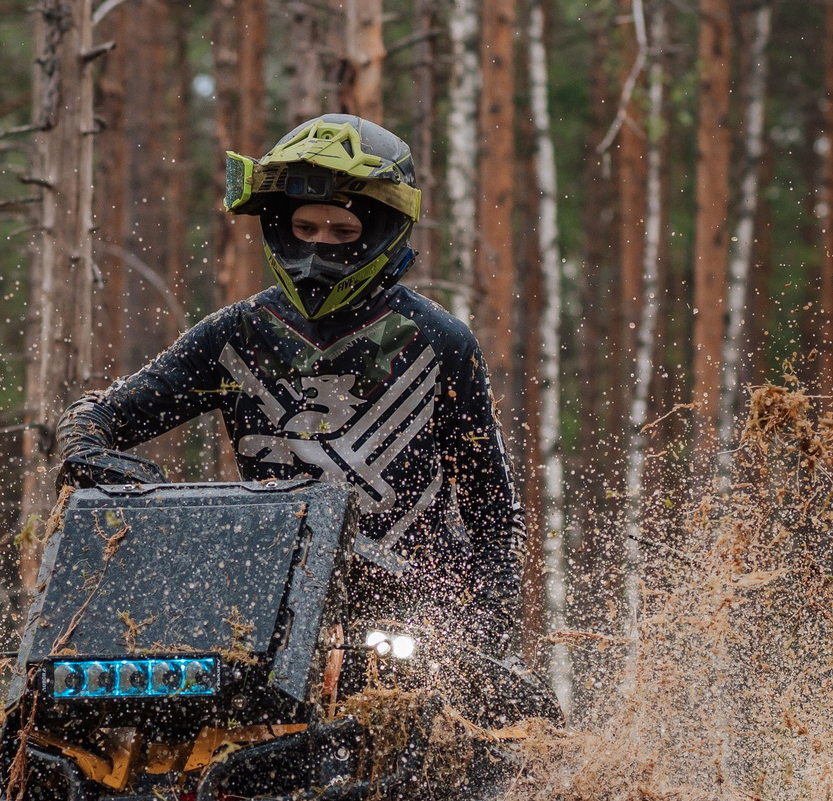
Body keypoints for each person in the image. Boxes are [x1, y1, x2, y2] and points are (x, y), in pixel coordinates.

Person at [57, 114, 525, 654]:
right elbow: (100, 414)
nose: (318, 248)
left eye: (343, 233)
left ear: (381, 233)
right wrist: (90, 455)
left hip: (419, 614)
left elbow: (492, 500)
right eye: (305, 229)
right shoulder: (235, 336)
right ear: (279, 225)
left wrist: (487, 625)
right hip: (275, 611)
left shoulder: (439, 342)